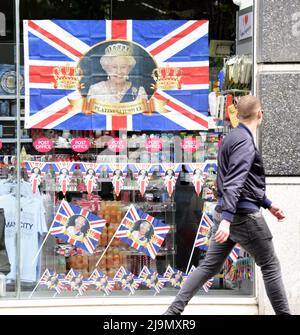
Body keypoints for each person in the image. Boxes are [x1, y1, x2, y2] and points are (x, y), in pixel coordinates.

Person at [163, 95, 291, 315]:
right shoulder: (245, 141)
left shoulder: (232, 138)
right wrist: (228, 220)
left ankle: (172, 313)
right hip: (241, 217)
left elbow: (244, 180)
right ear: (260, 115)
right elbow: (235, 181)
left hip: (228, 214)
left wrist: (267, 204)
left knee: (208, 267)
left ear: (239, 116)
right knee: (270, 265)